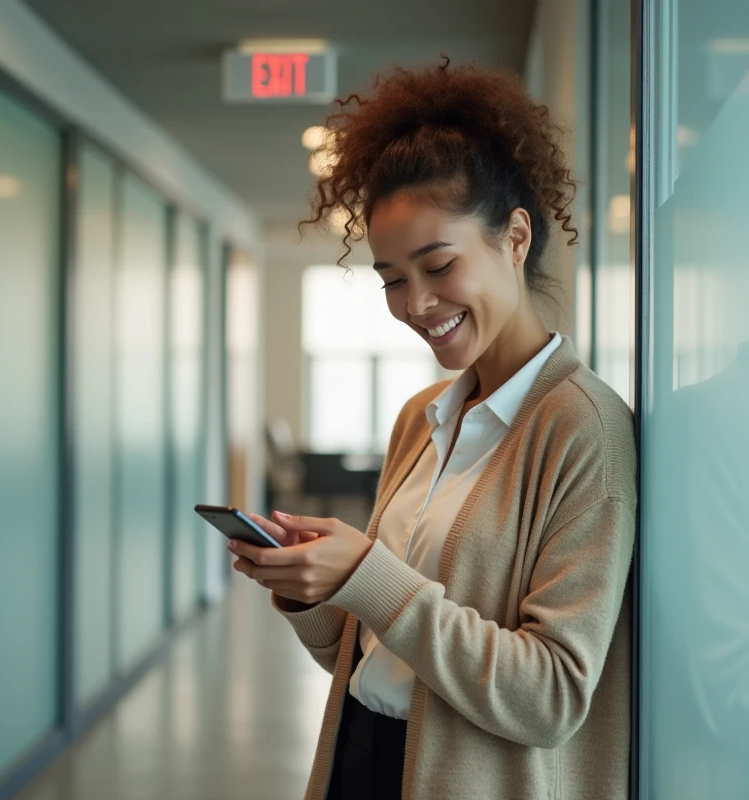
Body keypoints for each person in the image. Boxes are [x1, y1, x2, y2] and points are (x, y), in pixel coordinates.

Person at [227, 61, 637, 800]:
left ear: (516, 238)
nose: (415, 304)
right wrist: (315, 591)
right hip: (362, 757)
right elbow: (376, 654)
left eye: (439, 265)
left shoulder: (585, 429)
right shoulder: (422, 417)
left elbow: (551, 697)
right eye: (392, 279)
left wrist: (368, 576)